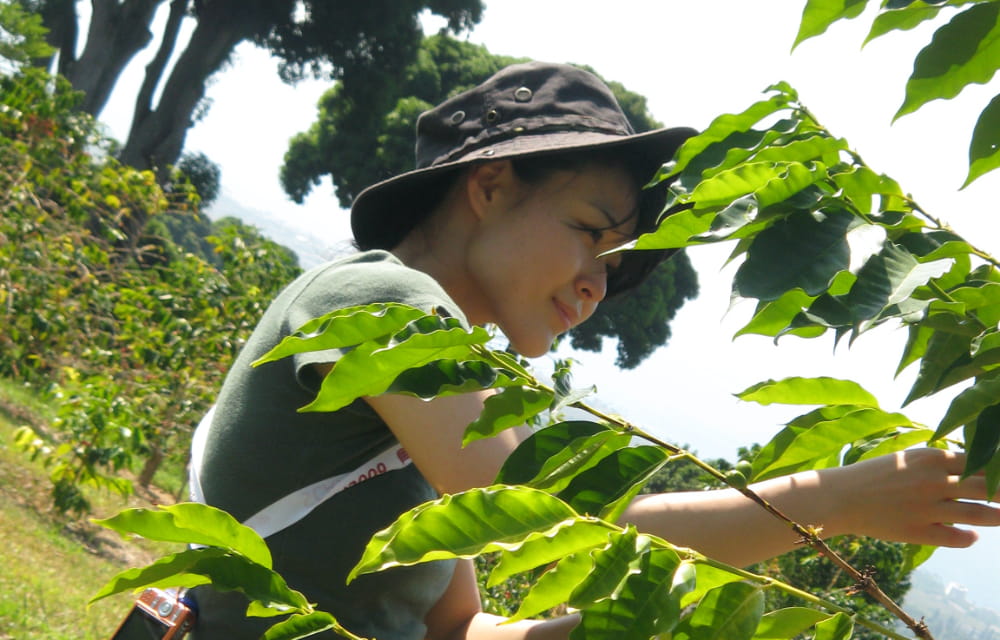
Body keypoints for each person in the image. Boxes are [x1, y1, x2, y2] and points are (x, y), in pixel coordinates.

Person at [187, 61, 1000, 639]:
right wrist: (835, 501)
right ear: (492, 185)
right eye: (588, 232)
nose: (595, 286)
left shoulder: (430, 422)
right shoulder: (378, 303)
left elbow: (458, 627)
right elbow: (579, 521)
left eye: (615, 264)